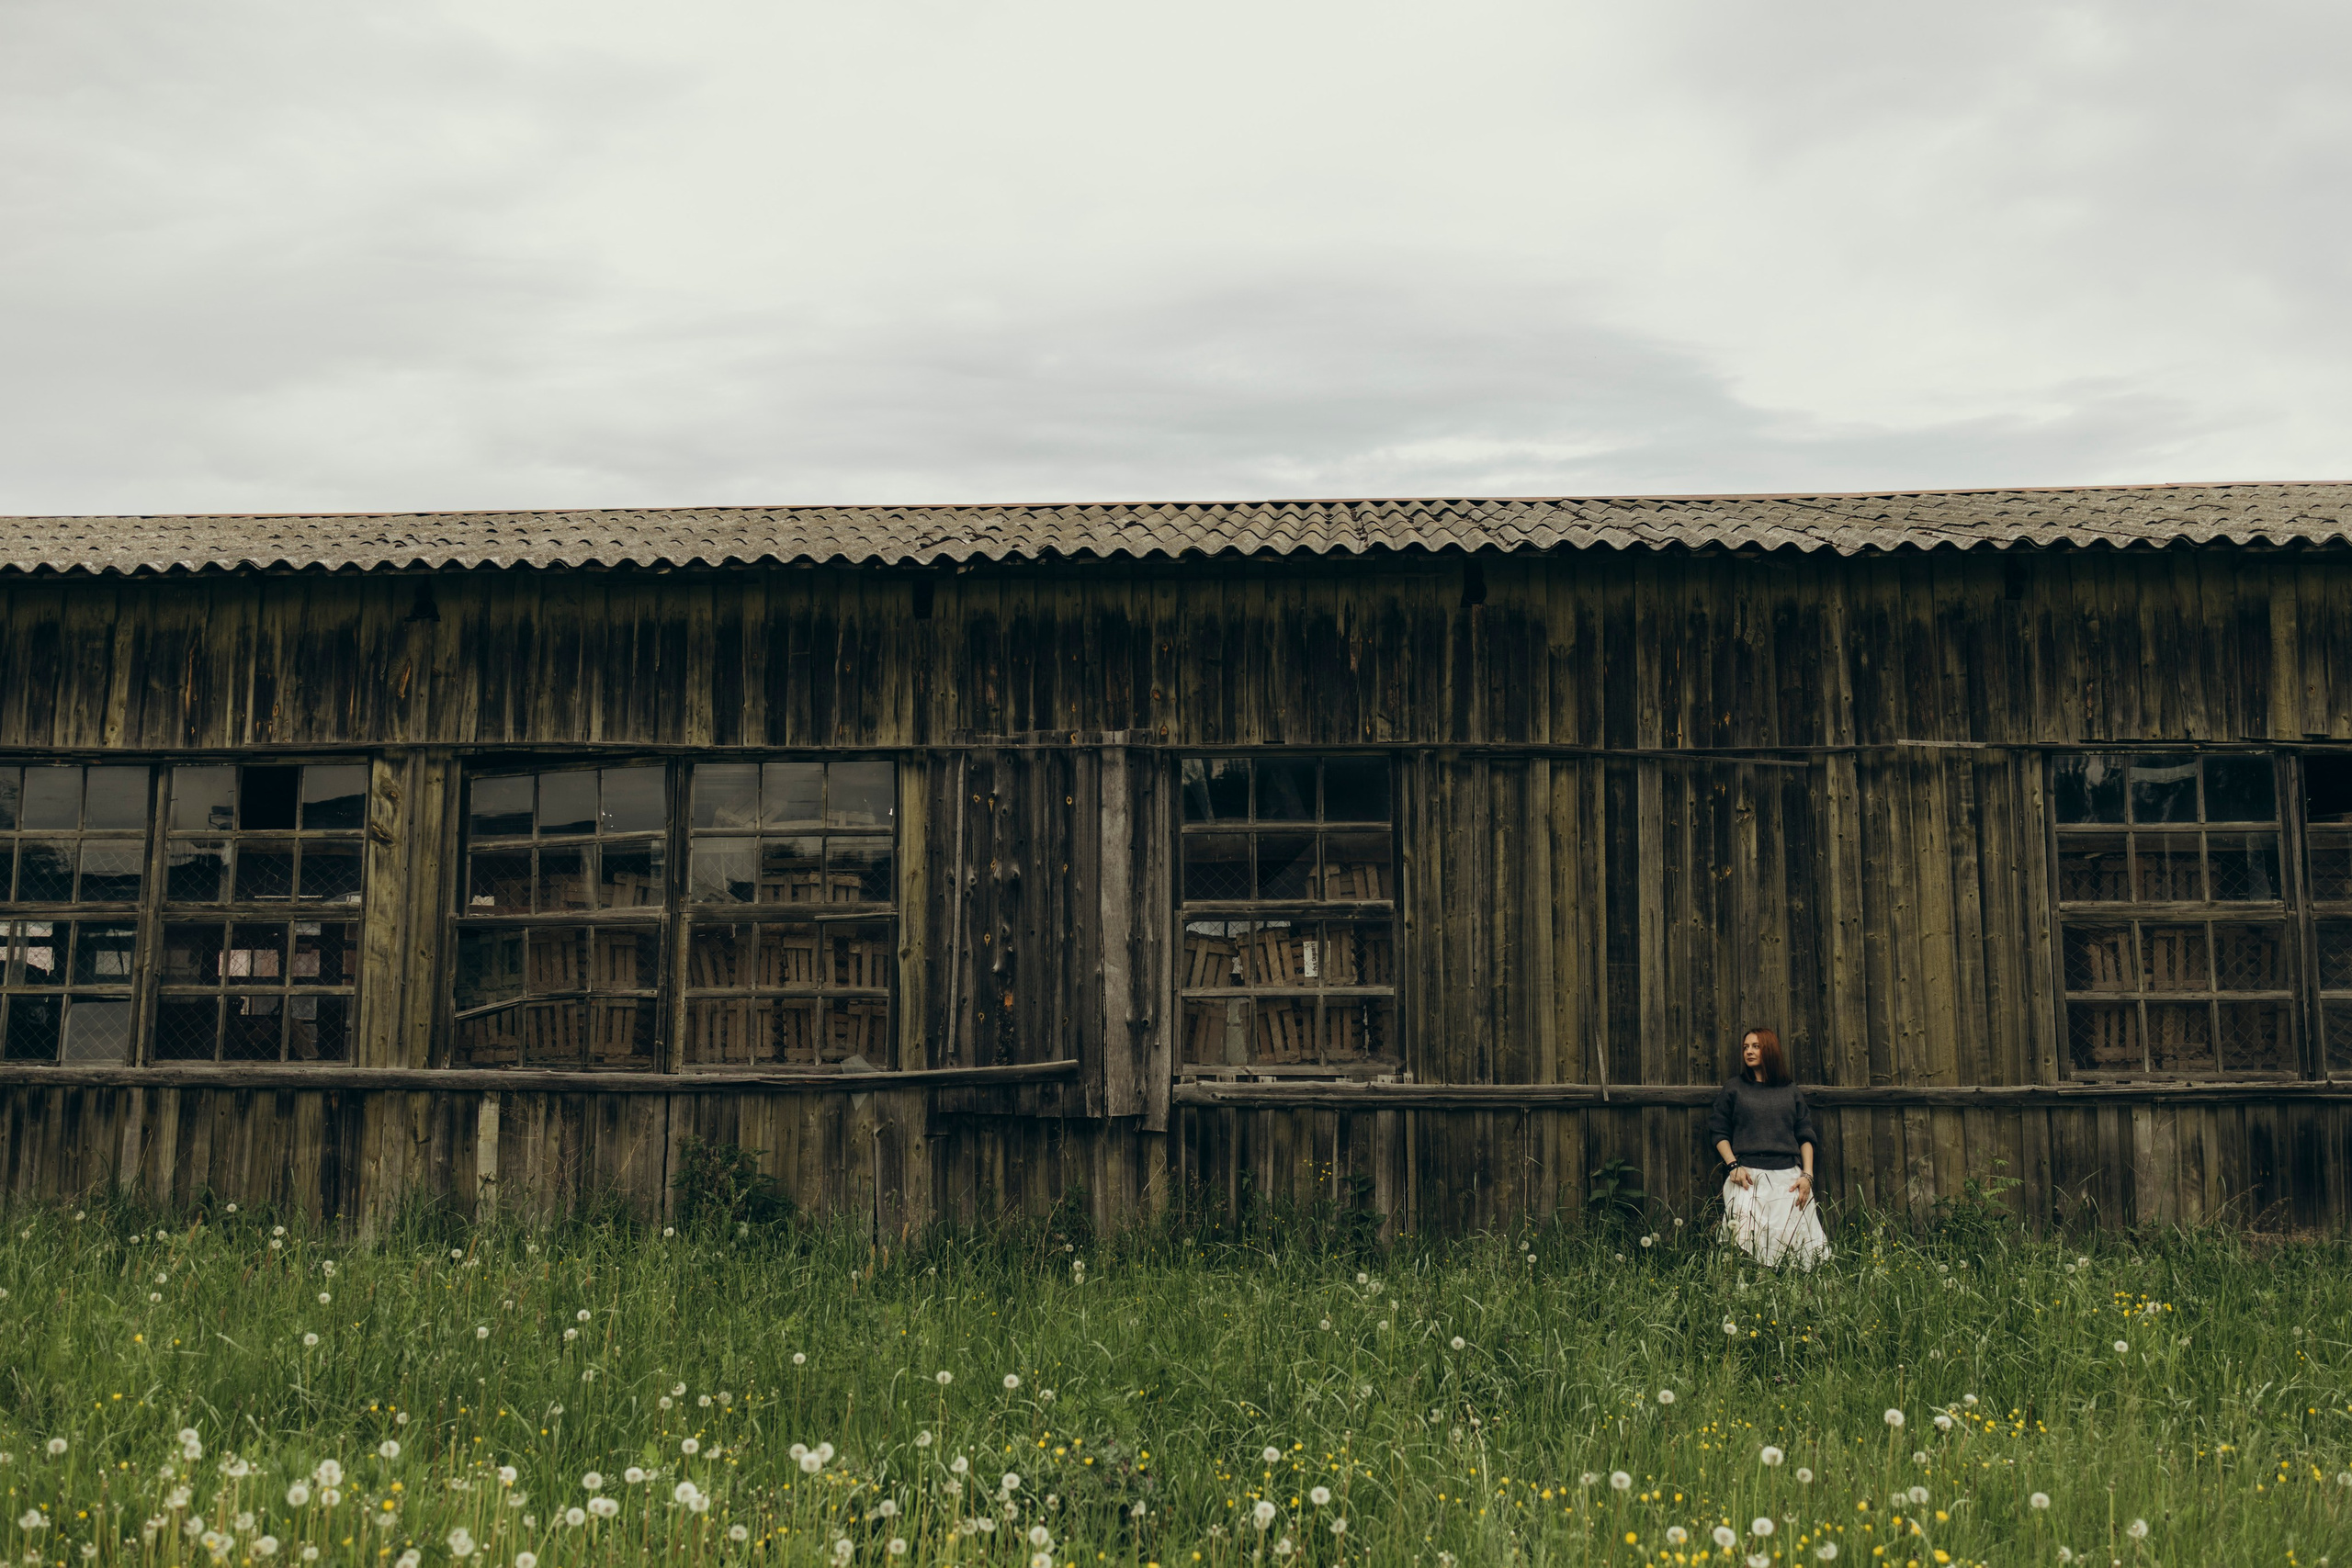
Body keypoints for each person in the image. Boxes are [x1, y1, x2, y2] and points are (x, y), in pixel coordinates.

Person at [1708, 1026, 1830, 1268]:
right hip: (1748, 1177)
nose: (1749, 1052)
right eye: (1745, 1047)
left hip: (1789, 1178)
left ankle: (1791, 1291)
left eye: (1756, 1046)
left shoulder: (1789, 1090)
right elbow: (1718, 1131)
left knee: (1796, 1248)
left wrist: (1807, 1175)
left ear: (1770, 1049)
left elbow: (1805, 1135)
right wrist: (1733, 1165)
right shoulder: (1735, 1088)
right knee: (1743, 1244)